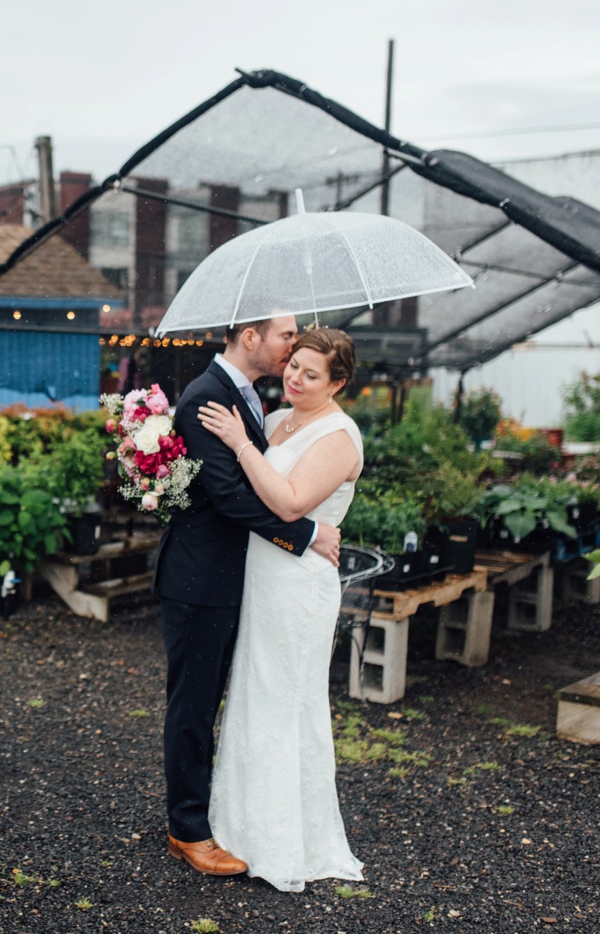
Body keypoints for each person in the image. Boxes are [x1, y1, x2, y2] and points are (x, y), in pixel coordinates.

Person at [153, 314, 342, 877]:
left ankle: (219, 812)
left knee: (228, 699)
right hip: (199, 579)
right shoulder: (205, 398)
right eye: (287, 338)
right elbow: (231, 497)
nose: (294, 348)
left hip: (235, 578)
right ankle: (186, 829)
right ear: (252, 337)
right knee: (193, 703)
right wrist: (305, 534)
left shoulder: (254, 400)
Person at [195, 327, 365, 892]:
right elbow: (248, 499)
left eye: (311, 374)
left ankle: (287, 842)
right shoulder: (274, 420)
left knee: (287, 703)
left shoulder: (339, 435)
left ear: (337, 383)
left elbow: (290, 500)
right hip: (261, 578)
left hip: (298, 587)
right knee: (252, 696)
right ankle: (240, 830)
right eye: (293, 365)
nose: (294, 377)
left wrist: (242, 443)